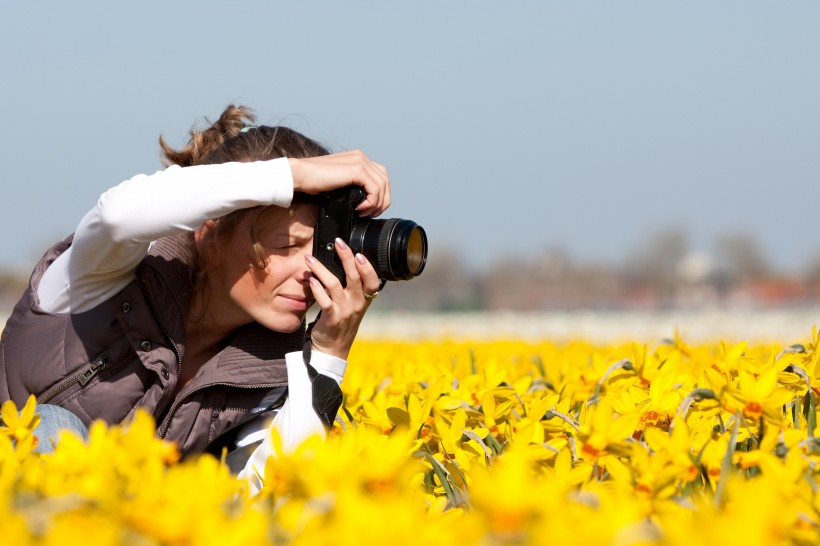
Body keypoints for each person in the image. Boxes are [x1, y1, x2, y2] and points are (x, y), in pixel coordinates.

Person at [0, 105, 390, 493]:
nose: (310, 270)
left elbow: (265, 491)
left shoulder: (271, 367)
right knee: (53, 428)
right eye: (286, 245)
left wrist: (328, 352)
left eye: (320, 250)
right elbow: (119, 217)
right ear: (210, 234)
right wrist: (292, 175)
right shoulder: (106, 274)